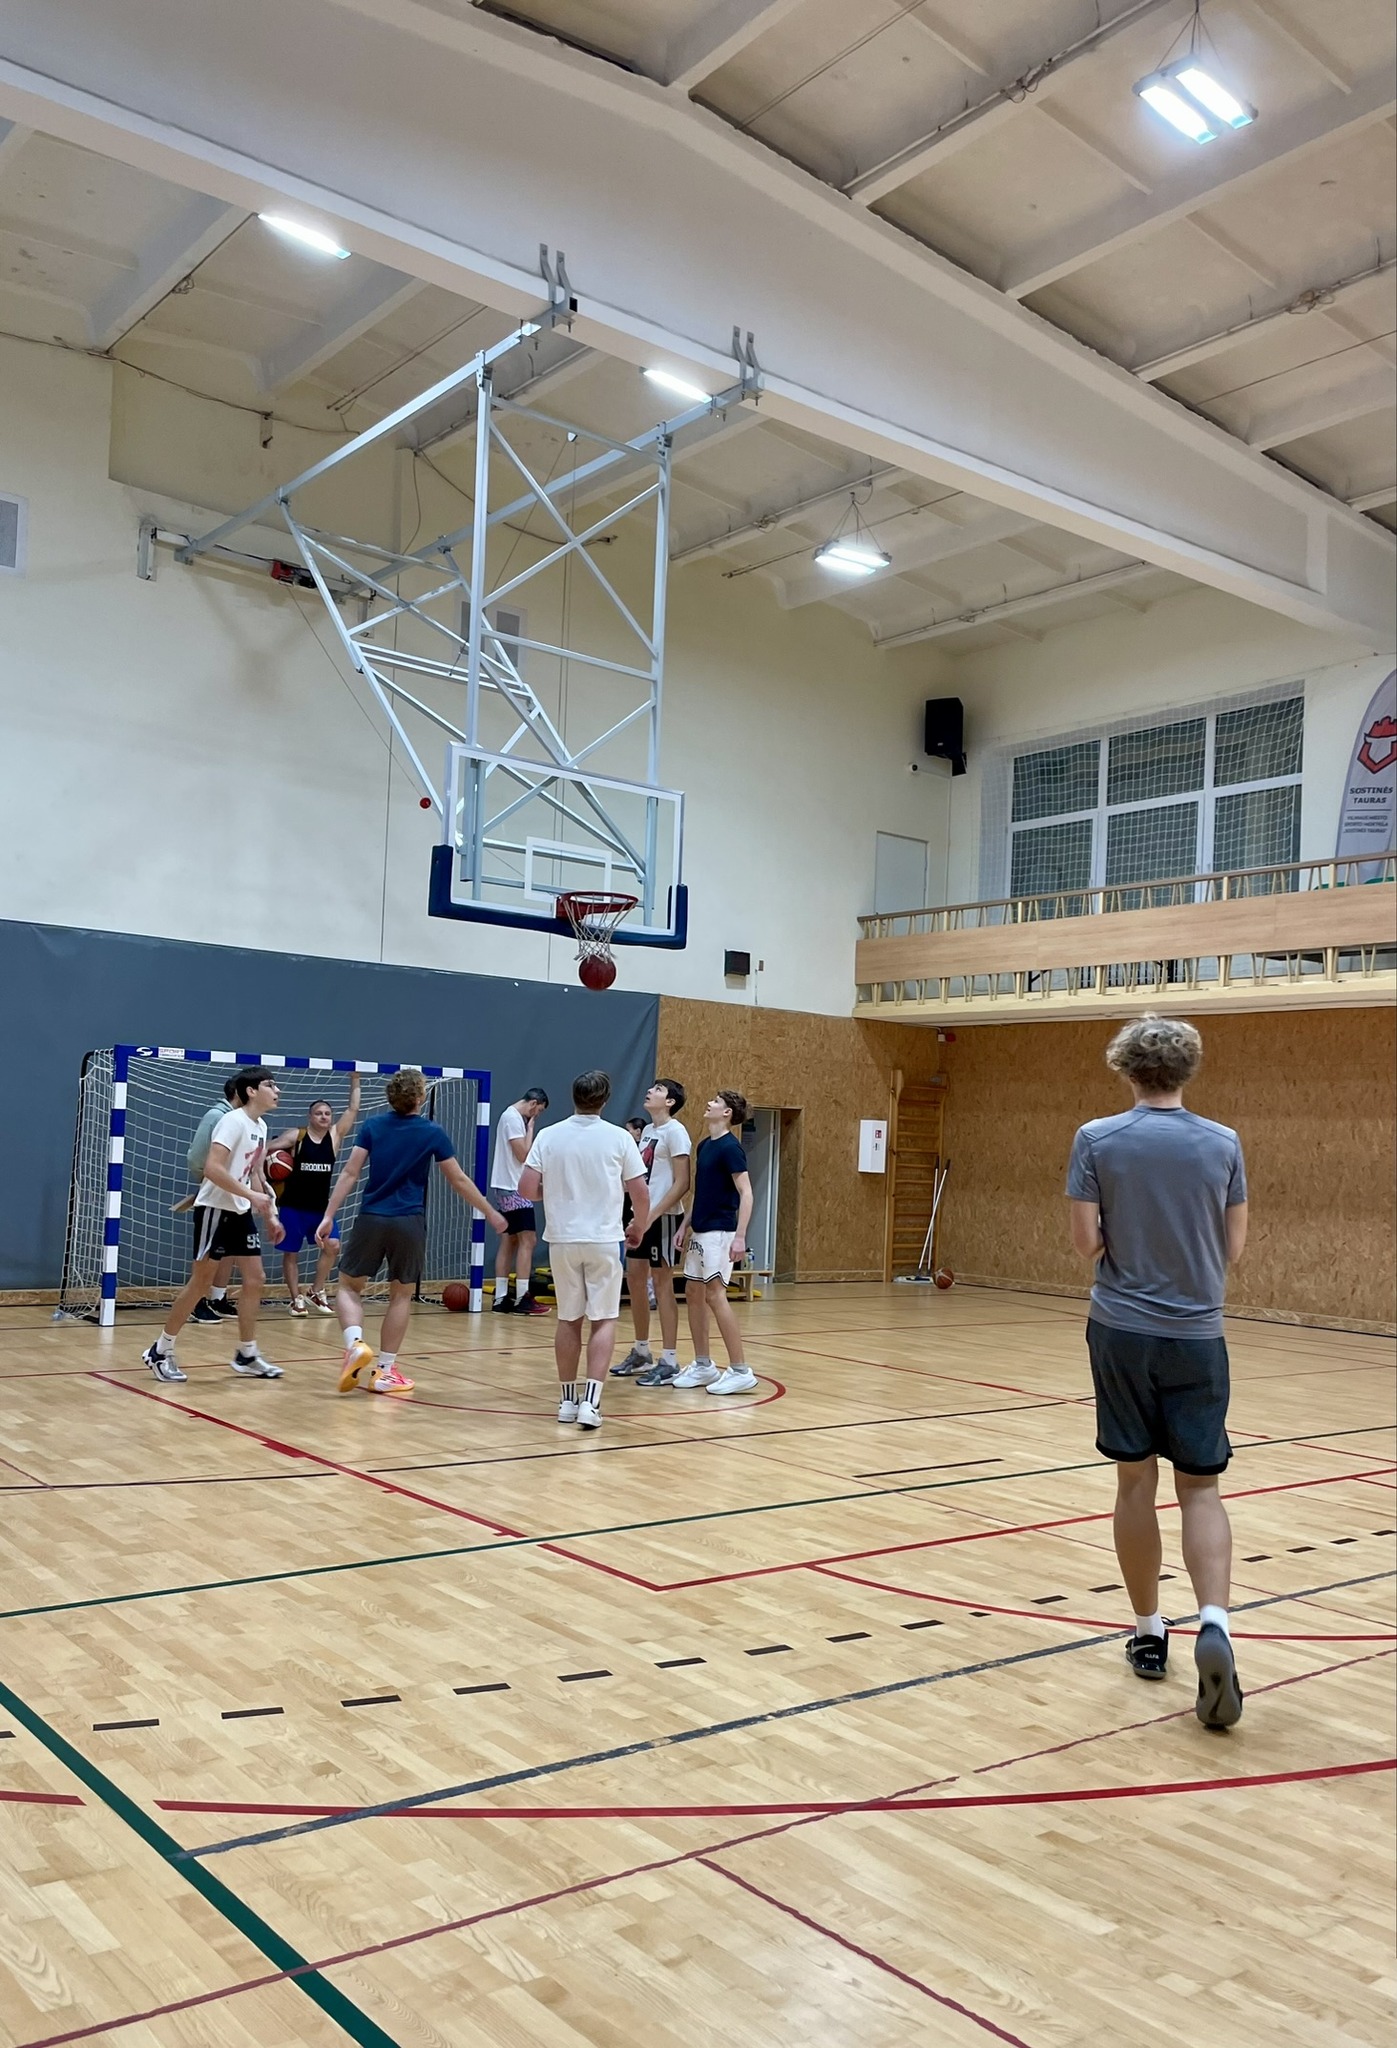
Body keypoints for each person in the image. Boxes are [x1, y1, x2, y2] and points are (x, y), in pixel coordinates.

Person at [1066, 1014, 1248, 1731]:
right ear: (1187, 1069)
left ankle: (1148, 1630)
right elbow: (1233, 1249)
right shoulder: (1223, 1143)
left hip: (1121, 1332)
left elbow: (1085, 1244)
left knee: (1134, 1480)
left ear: (1124, 1068)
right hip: (1197, 1335)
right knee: (1199, 1488)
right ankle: (1215, 1622)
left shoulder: (1096, 1139)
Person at [317, 1068, 507, 1395]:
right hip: (409, 1221)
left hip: (372, 1217)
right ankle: (385, 1371)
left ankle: (355, 1343)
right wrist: (490, 1211)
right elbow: (458, 1179)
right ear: (419, 1098)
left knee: (348, 1286)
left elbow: (350, 1172)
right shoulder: (432, 1132)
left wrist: (329, 1215)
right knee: (401, 1294)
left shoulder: (373, 1126)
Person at [518, 1069, 648, 1430]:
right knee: (603, 1318)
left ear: (573, 1096)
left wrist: (553, 1194)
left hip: (562, 1239)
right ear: (605, 1100)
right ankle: (591, 1403)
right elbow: (640, 1192)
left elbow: (526, 1189)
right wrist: (639, 1225)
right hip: (604, 1239)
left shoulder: (549, 1135)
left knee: (568, 1319)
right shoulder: (620, 1137)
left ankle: (566, 1402)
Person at [142, 1068, 286, 1383]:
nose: (277, 1090)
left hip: (240, 1211)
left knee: (255, 1278)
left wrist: (270, 1214)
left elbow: (255, 1173)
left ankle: (247, 1353)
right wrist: (250, 1195)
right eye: (270, 1085)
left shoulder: (261, 1126)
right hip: (215, 1210)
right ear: (251, 1091)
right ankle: (160, 1350)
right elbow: (212, 1168)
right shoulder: (232, 1121)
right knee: (201, 1283)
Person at [670, 1090, 756, 1396]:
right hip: (701, 1231)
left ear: (727, 1112)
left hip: (721, 1232)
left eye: (716, 1102)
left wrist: (740, 1236)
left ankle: (741, 1370)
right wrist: (685, 1225)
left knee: (715, 1295)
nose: (709, 1103)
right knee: (693, 1292)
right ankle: (703, 1364)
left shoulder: (731, 1148)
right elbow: (701, 1192)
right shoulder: (705, 1145)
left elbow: (746, 1192)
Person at [616, 1080, 693, 1384]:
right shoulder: (648, 1131)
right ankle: (641, 1350)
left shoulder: (676, 1132)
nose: (650, 1091)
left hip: (664, 1217)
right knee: (635, 1280)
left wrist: (652, 1216)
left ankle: (670, 1359)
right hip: (642, 1216)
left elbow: (682, 1182)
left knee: (662, 1285)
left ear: (670, 1101)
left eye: (658, 1089)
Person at [267, 1073, 361, 1314]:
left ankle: (315, 1291)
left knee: (333, 1245)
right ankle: (295, 1298)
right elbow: (264, 1149)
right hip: (292, 1206)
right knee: (291, 1253)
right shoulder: (296, 1136)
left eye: (327, 1113)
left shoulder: (334, 1137)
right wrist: (268, 1168)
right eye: (319, 1113)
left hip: (320, 1208)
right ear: (310, 1116)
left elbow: (353, 1109)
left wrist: (355, 1079)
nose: (324, 1117)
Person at [178, 1071, 244, 1325]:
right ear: (240, 1092)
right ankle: (195, 1303)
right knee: (206, 1254)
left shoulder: (246, 1121)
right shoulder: (217, 1116)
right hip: (215, 1196)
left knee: (228, 1251)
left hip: (234, 1197)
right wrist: (209, 1181)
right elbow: (196, 1158)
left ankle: (217, 1298)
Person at [489, 1088, 550, 1315]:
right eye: (538, 1111)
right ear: (533, 1104)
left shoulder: (510, 1117)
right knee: (528, 1240)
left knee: (510, 1240)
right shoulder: (513, 1118)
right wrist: (531, 1129)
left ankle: (501, 1297)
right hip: (513, 1187)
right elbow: (523, 1155)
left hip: (505, 1185)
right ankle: (522, 1298)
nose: (536, 1115)